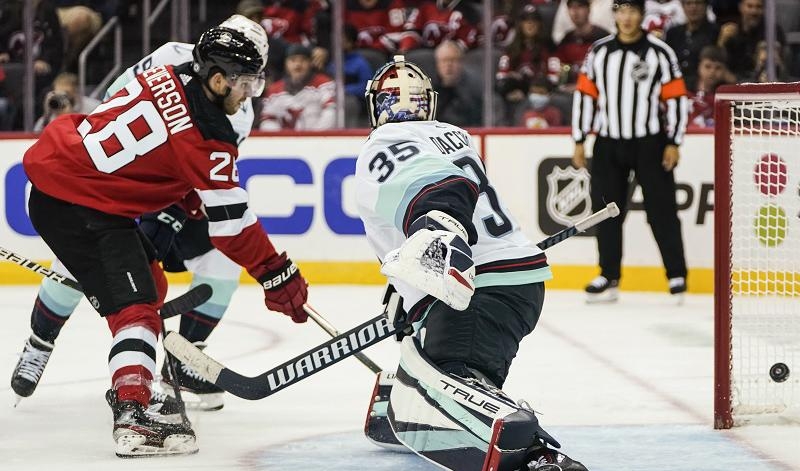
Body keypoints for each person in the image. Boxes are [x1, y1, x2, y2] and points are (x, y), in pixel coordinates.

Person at [16, 15, 309, 457]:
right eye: (245, 82)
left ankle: (157, 372)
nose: (250, 93)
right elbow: (233, 225)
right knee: (136, 310)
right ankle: (132, 417)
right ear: (217, 77)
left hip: (79, 173)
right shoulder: (210, 136)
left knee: (149, 286)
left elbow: (119, 108)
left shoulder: (171, 64)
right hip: (84, 202)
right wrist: (276, 274)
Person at [354, 55, 588, 471]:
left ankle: (537, 455)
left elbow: (441, 188)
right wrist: (408, 292)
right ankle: (428, 394)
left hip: (478, 286)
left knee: (449, 385)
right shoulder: (452, 134)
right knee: (450, 368)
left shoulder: (382, 144)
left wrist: (440, 238)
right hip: (510, 281)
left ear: (378, 105)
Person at [571, 0, 688, 303]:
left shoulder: (660, 53)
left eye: (632, 10)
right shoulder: (599, 51)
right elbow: (585, 95)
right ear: (615, 14)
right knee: (606, 210)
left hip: (650, 142)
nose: (626, 17)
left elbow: (675, 97)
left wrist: (674, 141)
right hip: (609, 142)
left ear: (641, 15)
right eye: (621, 10)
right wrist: (580, 139)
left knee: (662, 209)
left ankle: (676, 275)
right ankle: (608, 276)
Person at [258, 43, 336, 130]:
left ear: (310, 63)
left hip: (319, 140)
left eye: (303, 60)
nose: (298, 65)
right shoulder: (274, 90)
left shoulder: (324, 83)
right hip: (285, 142)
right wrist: (281, 140)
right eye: (293, 60)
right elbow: (268, 120)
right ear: (286, 64)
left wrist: (315, 137)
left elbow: (331, 112)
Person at [34, 72, 101, 131]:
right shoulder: (53, 110)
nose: (60, 97)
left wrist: (69, 116)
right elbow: (37, 134)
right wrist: (46, 114)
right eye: (58, 93)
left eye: (66, 93)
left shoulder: (94, 107)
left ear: (75, 92)